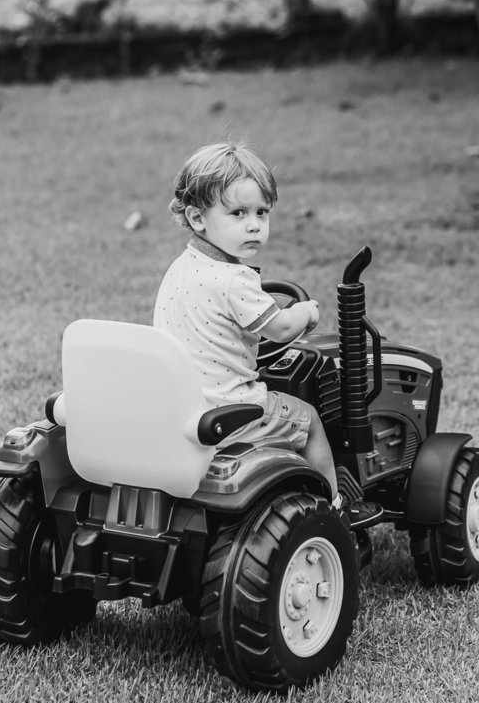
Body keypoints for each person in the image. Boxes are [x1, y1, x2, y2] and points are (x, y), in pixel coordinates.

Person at [154, 142, 370, 515]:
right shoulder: (234, 279)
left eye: (261, 212)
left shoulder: (182, 267)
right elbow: (284, 329)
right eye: (237, 213)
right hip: (233, 409)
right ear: (196, 217)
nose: (253, 224)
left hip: (181, 407)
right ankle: (336, 508)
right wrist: (306, 311)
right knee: (310, 420)